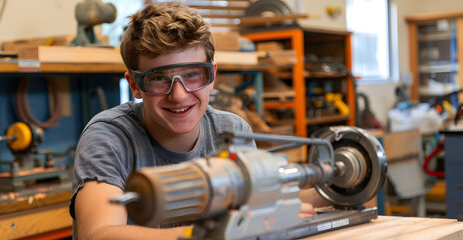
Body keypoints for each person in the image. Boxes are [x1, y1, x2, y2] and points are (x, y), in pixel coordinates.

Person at [70, 1, 318, 239]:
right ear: (135, 85)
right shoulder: (109, 138)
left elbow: (260, 208)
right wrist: (214, 235)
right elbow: (98, 234)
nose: (178, 95)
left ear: (212, 76)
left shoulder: (231, 130)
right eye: (158, 78)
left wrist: (335, 189)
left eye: (192, 75)